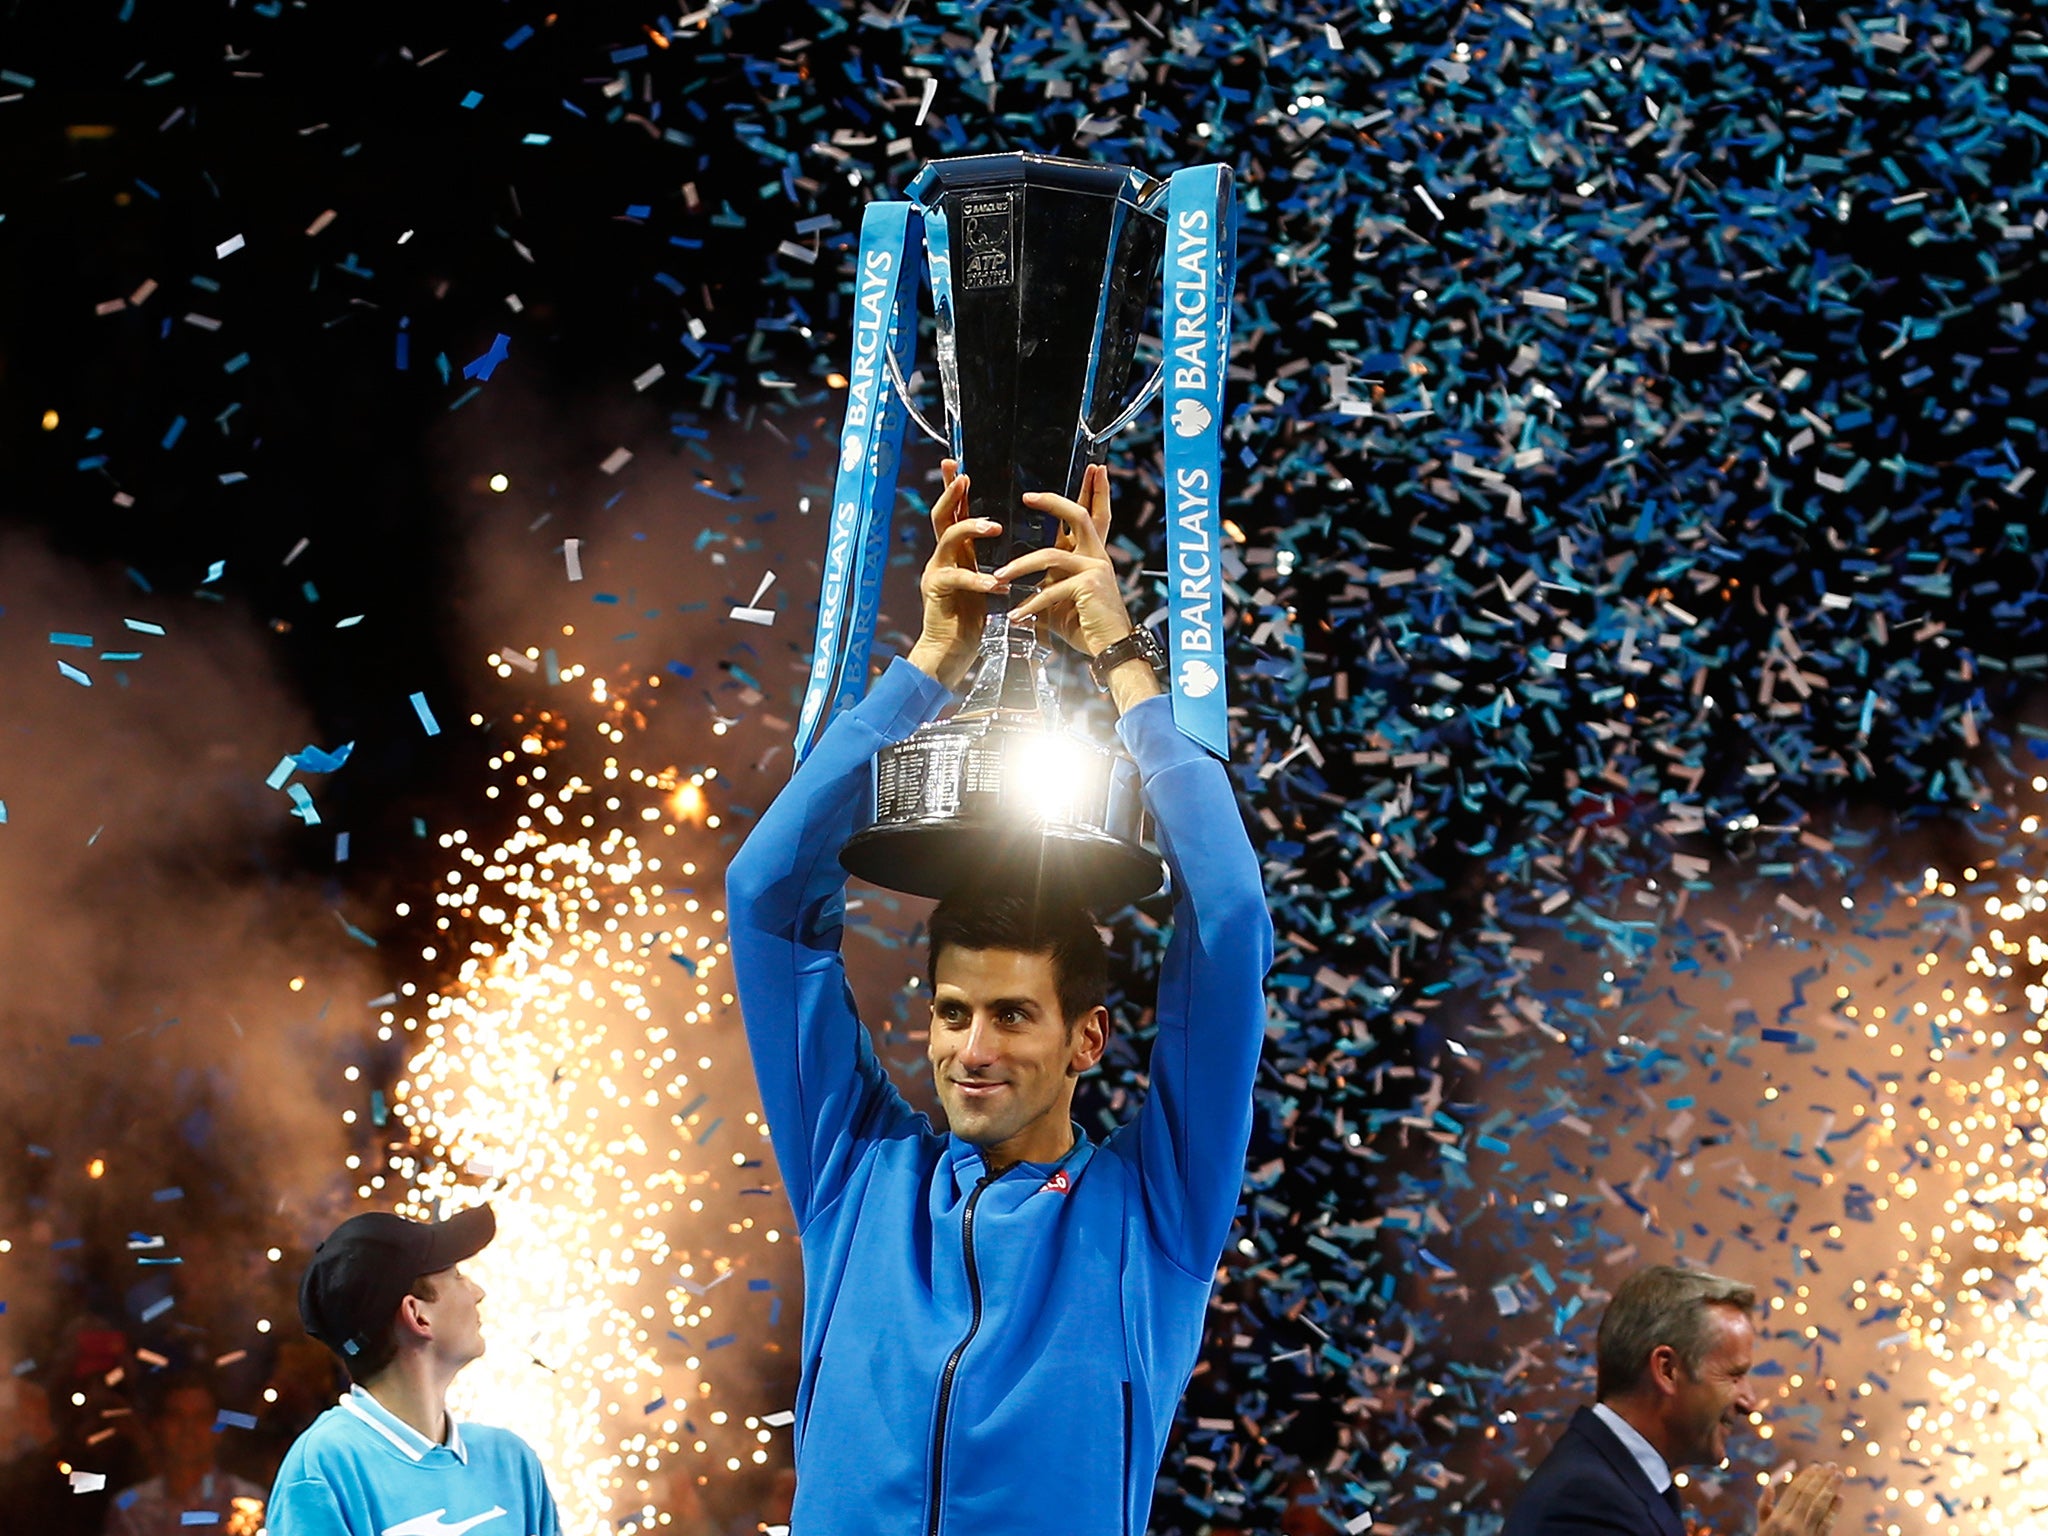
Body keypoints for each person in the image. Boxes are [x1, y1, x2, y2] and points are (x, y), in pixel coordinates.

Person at [728, 461, 1273, 1536]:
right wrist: (929, 661)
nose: (970, 1048)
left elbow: (1230, 921)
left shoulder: (1154, 1214)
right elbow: (765, 897)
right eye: (951, 1012)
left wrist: (1122, 666)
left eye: (1013, 1015)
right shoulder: (857, 1178)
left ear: (1087, 1038)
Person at [265, 1205, 561, 1535]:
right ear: (418, 1316)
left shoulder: (511, 1462)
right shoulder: (326, 1468)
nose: (478, 1292)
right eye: (458, 1276)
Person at [1503, 1265, 1846, 1536]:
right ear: (1666, 1370)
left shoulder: (1618, 1481)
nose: (1749, 1401)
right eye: (1734, 1376)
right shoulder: (1586, 1500)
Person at [102, 1373, 267, 1536]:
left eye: (201, 1418)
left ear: (219, 1429)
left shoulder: (248, 1503)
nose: (188, 1430)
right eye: (177, 1417)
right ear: (158, 1426)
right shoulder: (131, 1507)